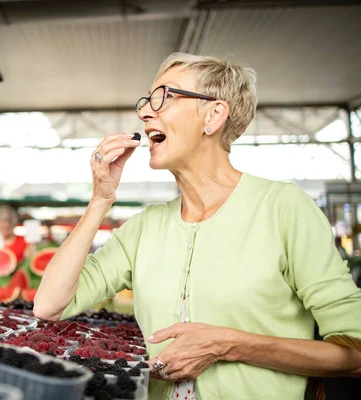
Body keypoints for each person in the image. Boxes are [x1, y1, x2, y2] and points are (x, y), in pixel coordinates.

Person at [34, 53, 361, 399]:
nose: (145, 112)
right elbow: (49, 306)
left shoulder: (282, 208)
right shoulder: (144, 228)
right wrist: (100, 199)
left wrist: (230, 345)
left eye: (164, 97)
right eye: (146, 101)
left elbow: (355, 354)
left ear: (214, 115)